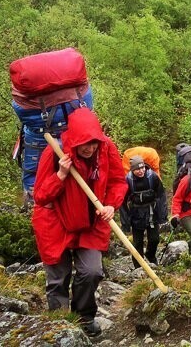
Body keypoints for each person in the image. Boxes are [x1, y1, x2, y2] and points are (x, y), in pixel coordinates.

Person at [31, 108, 127, 337]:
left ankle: (84, 317)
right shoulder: (54, 152)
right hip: (56, 223)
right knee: (58, 278)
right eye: (85, 143)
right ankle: (61, 328)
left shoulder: (106, 149)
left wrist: (112, 204)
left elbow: (117, 181)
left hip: (92, 222)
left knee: (92, 271)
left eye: (94, 142)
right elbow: (41, 196)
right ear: (73, 139)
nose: (90, 147)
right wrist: (61, 175)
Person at [120, 155, 167, 267]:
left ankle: (150, 256)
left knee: (154, 239)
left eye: (142, 168)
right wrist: (125, 222)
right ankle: (138, 266)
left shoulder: (152, 177)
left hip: (152, 213)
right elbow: (123, 201)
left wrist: (163, 215)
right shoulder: (128, 180)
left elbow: (161, 195)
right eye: (137, 169)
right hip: (136, 215)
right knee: (137, 243)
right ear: (132, 170)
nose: (141, 171)